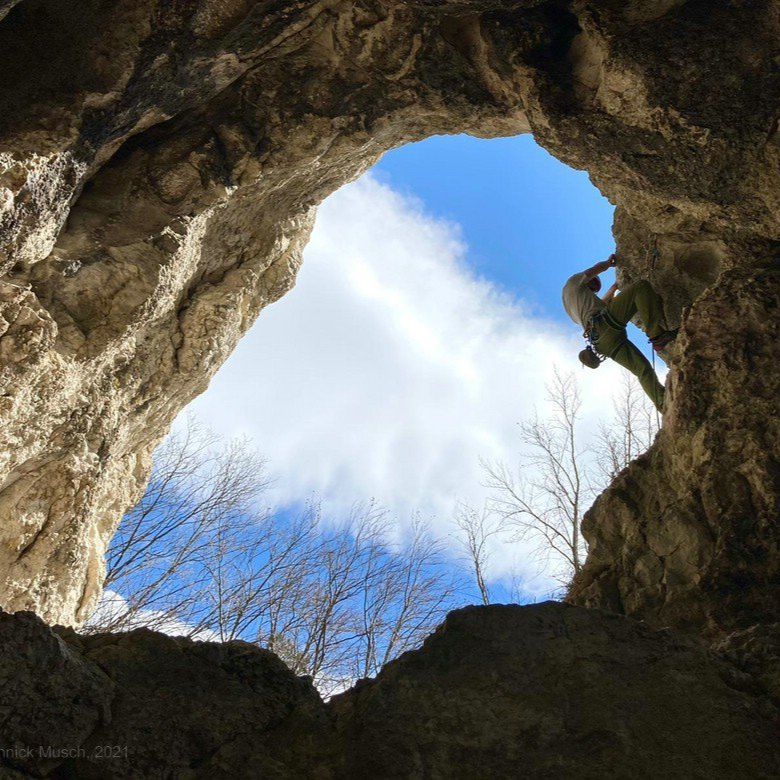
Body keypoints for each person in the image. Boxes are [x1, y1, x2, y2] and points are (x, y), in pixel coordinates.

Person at [561, 253, 677, 412]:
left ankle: (663, 404)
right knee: (640, 288)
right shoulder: (573, 282)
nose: (594, 292)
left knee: (642, 369)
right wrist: (609, 263)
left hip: (602, 343)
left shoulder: (573, 308)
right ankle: (657, 335)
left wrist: (614, 287)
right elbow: (596, 269)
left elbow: (602, 304)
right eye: (593, 289)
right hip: (605, 325)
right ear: (589, 283)